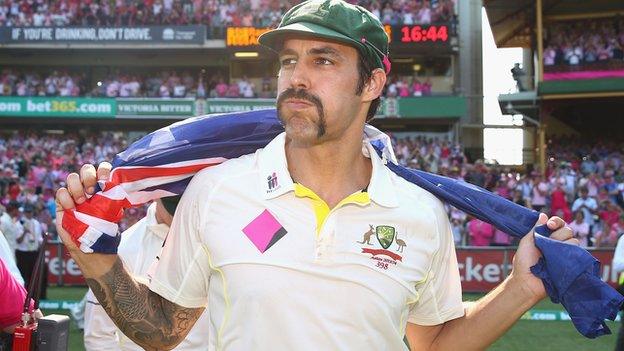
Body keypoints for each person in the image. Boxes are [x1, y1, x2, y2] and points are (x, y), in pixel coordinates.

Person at [54, 1, 575, 350]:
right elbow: (166, 330)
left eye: (323, 60)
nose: (296, 77)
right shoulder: (218, 191)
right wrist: (97, 263)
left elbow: (432, 342)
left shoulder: (418, 213)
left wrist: (520, 289)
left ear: (371, 83)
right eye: (288, 61)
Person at [83, 199, 210, 350]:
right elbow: (99, 337)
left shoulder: (215, 238)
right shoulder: (124, 248)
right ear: (158, 194)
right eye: (176, 204)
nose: (182, 215)